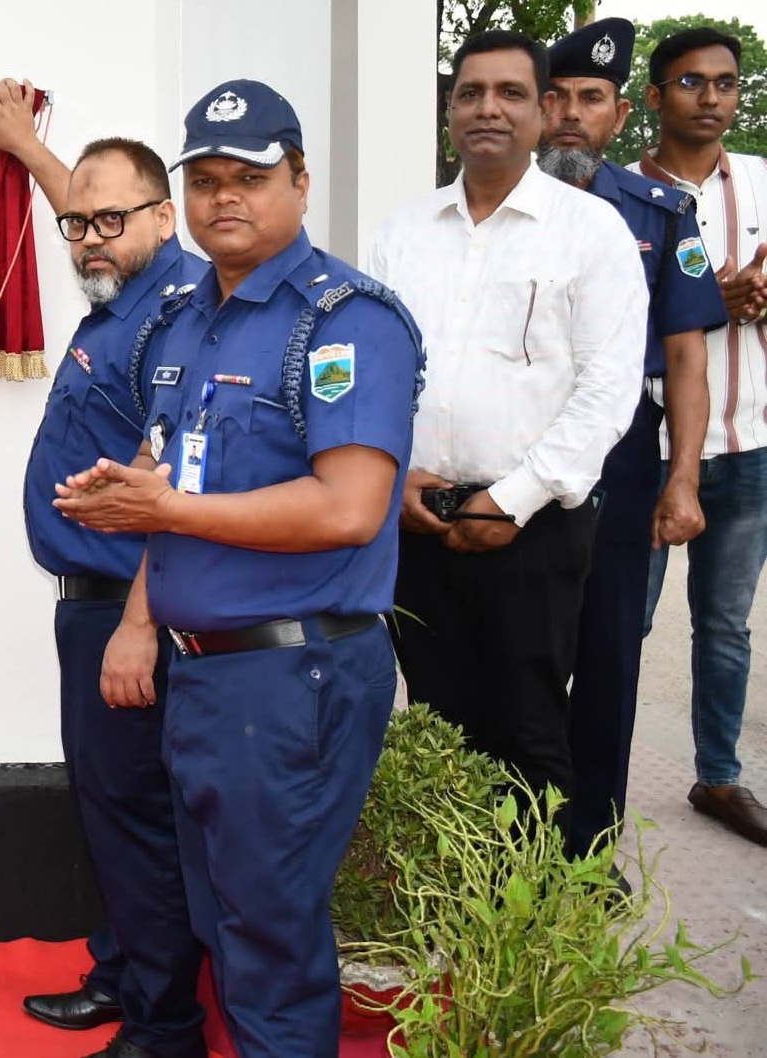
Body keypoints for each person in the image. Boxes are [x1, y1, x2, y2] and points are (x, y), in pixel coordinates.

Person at [56, 79, 422, 1057]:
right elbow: (169, 473)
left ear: (299, 181)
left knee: (266, 939)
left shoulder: (343, 320)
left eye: (251, 177)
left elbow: (349, 507)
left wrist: (164, 505)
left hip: (292, 671)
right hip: (205, 671)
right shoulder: (186, 321)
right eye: (207, 178)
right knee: (223, 922)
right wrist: (130, 493)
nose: (227, 196)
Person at [0, 78, 206, 1058]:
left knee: (137, 812)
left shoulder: (180, 312)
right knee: (111, 808)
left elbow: (179, 481)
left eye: (107, 221)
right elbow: (97, 203)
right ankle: (124, 968)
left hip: (131, 605)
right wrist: (32, 152)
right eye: (72, 225)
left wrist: (138, 624)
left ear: (165, 215)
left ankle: (163, 1023)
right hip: (93, 600)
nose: (84, 239)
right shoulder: (124, 293)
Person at [368, 31, 647, 811]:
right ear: (450, 109)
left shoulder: (588, 232)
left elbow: (606, 390)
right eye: (469, 92)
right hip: (419, 519)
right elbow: (374, 377)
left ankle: (532, 920)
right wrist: (394, 479)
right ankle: (454, 904)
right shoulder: (404, 233)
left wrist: (512, 498)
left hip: (534, 527)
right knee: (438, 725)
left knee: (527, 730)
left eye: (509, 93)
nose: (486, 108)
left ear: (540, 109)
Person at [539, 18, 729, 860]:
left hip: (620, 456)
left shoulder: (657, 213)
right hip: (509, 453)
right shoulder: (493, 210)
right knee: (514, 654)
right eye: (555, 97)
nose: (571, 115)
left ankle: (586, 849)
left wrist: (681, 478)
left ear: (620, 117)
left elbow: (686, 355)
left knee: (608, 655)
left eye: (590, 99)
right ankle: (504, 846)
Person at [632, 26, 767, 846]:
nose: (710, 97)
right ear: (653, 97)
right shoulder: (614, 195)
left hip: (748, 443)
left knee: (724, 626)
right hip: (647, 453)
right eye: (689, 82)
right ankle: (587, 776)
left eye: (724, 83)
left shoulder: (758, 183)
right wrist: (701, 301)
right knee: (624, 621)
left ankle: (717, 777)